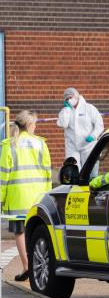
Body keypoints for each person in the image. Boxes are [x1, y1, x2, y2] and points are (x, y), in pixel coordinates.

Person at [0, 111, 51, 282]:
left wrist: (1, 198)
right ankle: (39, 266)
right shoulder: (40, 144)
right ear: (29, 125)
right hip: (38, 195)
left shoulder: (9, 144)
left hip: (17, 196)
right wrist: (47, 194)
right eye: (35, 124)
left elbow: (3, 175)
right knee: (37, 230)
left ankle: (27, 266)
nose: (36, 127)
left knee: (20, 231)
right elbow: (47, 172)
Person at [57, 87, 104, 166]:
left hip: (88, 146)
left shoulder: (89, 108)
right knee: (73, 170)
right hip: (72, 147)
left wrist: (93, 135)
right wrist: (67, 110)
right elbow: (64, 124)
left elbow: (99, 125)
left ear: (76, 96)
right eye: (67, 99)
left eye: (70, 97)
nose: (69, 100)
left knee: (89, 171)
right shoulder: (64, 111)